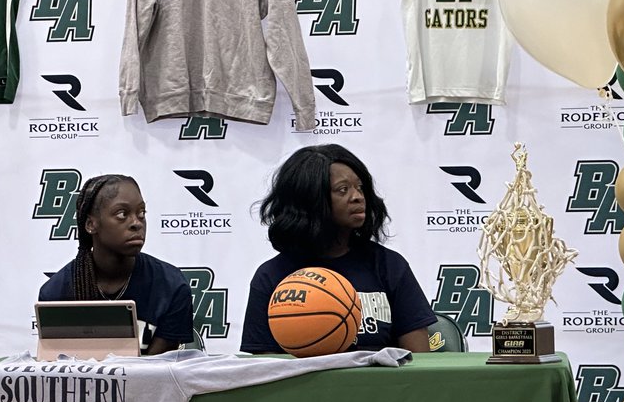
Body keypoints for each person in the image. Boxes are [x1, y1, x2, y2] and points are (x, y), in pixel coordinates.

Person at [241, 144, 434, 354]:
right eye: (343, 190)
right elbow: (263, 366)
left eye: (360, 188)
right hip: (304, 387)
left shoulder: (389, 266)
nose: (357, 197)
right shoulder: (272, 276)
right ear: (310, 200)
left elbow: (419, 362)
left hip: (379, 386)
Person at [39, 174, 193, 354]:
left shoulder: (171, 286)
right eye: (122, 214)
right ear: (91, 224)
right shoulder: (55, 293)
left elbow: (155, 373)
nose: (137, 223)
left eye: (141, 213)